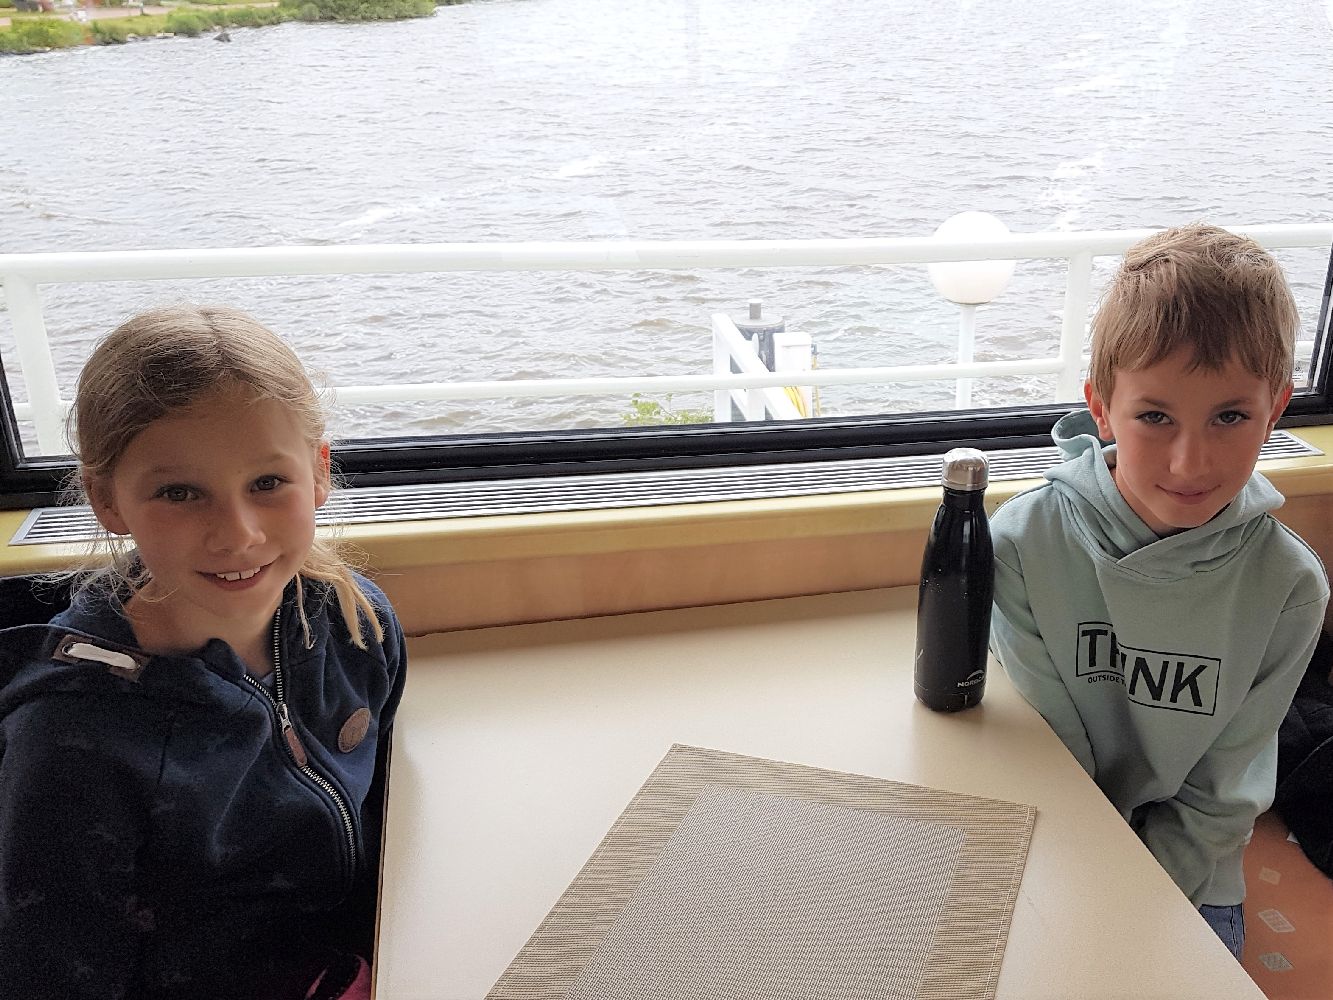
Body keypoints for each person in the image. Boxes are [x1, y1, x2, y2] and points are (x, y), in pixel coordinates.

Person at [0, 306, 407, 999]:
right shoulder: (72, 741)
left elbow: (389, 807)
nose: (237, 534)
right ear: (107, 500)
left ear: (318, 472)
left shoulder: (352, 620)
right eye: (180, 493)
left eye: (267, 483)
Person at [989, 223, 1329, 960]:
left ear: (1275, 409)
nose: (1189, 462)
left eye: (1230, 416)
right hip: (1055, 842)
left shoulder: (1289, 586)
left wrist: (1134, 905)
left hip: (1194, 871)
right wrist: (1085, 896)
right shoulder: (1021, 543)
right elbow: (1048, 757)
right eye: (1154, 417)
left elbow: (1223, 790)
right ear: (1101, 407)